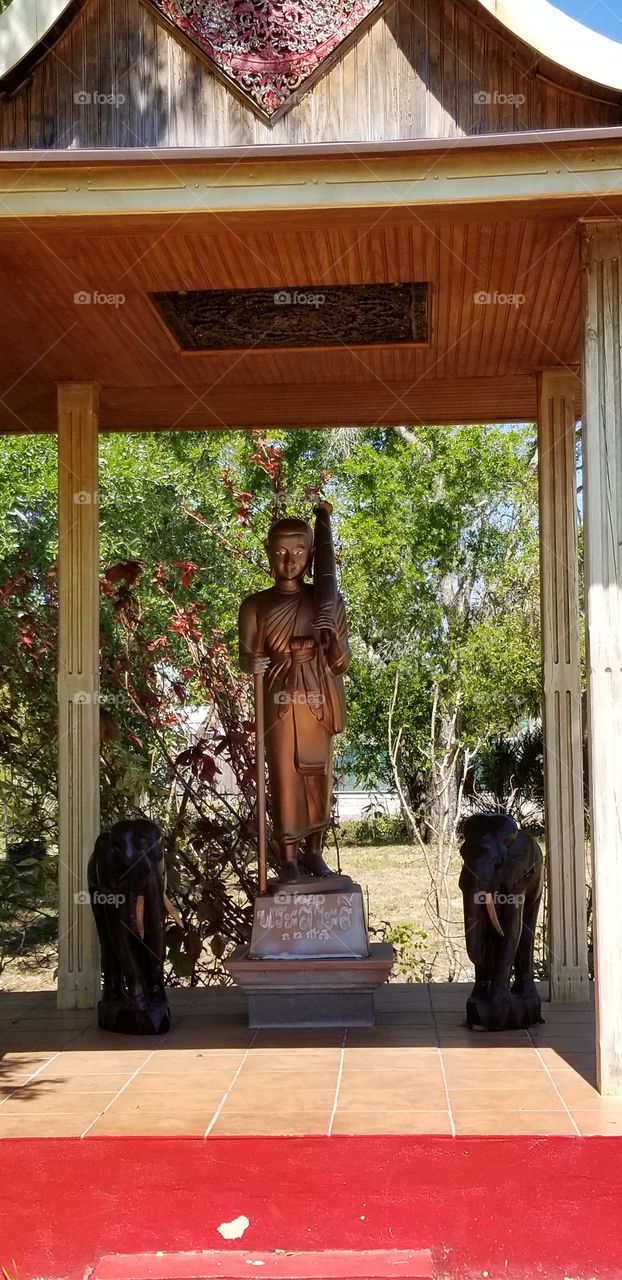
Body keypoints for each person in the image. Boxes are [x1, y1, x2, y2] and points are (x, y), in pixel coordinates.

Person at [238, 504, 350, 882]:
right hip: (280, 697)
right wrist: (251, 663)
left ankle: (314, 852)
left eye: (300, 552)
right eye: (281, 552)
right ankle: (288, 856)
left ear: (311, 554)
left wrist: (331, 637)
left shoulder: (326, 601)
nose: (290, 561)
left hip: (317, 694)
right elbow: (248, 654)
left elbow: (340, 663)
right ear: (269, 551)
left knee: (317, 773)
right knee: (285, 773)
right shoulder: (256, 605)